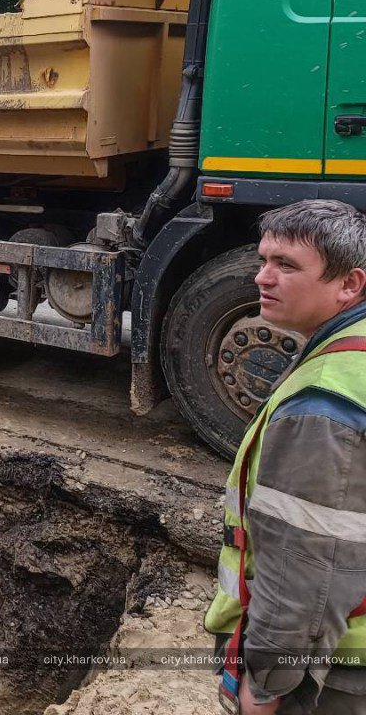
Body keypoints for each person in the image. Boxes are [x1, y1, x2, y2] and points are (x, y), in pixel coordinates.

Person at [206, 199, 366, 714]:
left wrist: (264, 689)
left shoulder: (322, 405)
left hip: (330, 676)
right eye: (263, 260)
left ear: (349, 284)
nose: (262, 278)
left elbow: (304, 574)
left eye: (287, 265)